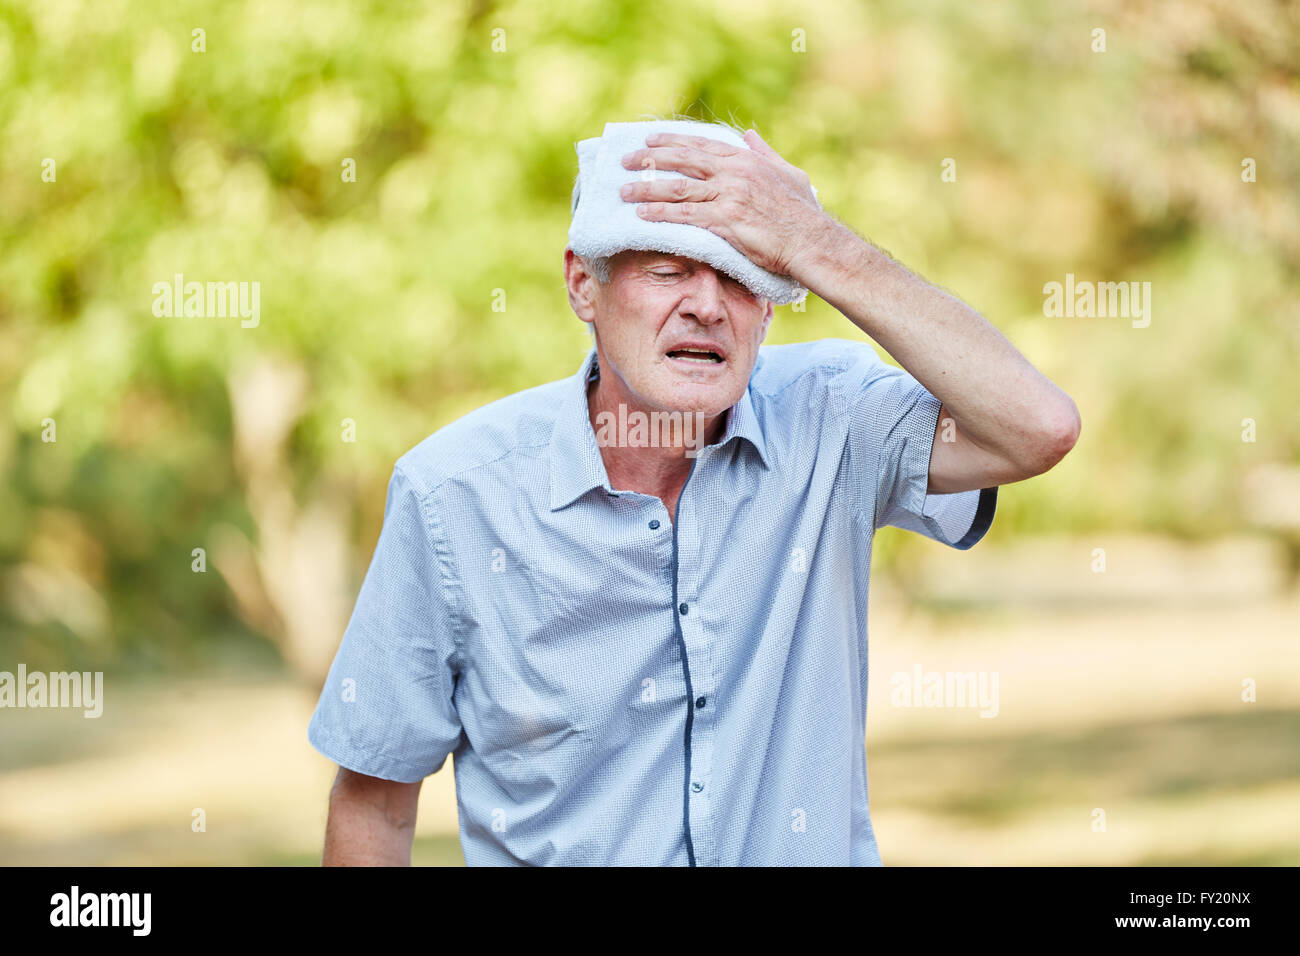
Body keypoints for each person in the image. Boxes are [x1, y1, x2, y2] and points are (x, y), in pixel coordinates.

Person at [307, 120, 1080, 865]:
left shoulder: (835, 419)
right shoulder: (454, 495)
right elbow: (373, 801)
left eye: (745, 275)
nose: (708, 305)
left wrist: (813, 240)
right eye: (668, 270)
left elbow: (1037, 428)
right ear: (584, 284)